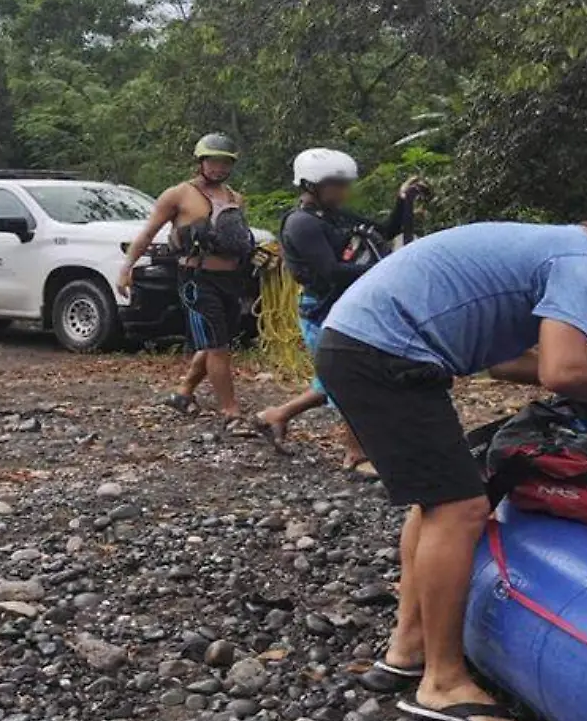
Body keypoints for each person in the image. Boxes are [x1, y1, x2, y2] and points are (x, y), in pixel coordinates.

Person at [315, 193, 587, 721]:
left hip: (362, 345)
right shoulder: (582, 263)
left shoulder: (549, 247)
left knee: (440, 500)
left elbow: (505, 363)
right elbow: (564, 374)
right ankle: (442, 682)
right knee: (461, 508)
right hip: (385, 352)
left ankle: (409, 647)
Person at [254, 148, 424, 473]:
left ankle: (276, 416)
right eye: (336, 184)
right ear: (311, 185)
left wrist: (404, 200)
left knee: (331, 380)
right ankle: (355, 454)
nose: (343, 191)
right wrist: (388, 270)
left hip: (347, 307)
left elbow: (386, 231)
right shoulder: (302, 224)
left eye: (345, 184)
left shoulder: (336, 216)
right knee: (349, 378)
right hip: (323, 311)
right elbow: (329, 271)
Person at [119, 133, 258, 423]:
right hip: (197, 279)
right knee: (217, 346)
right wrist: (126, 268)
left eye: (225, 164)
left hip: (230, 279)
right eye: (214, 162)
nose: (219, 169)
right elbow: (147, 233)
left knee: (216, 343)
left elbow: (237, 239)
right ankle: (230, 411)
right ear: (201, 162)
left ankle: (184, 393)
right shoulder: (178, 195)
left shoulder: (235, 198)